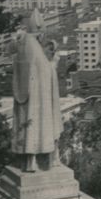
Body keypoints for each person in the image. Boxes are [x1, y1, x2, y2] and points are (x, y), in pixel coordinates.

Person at [12, 11, 62, 172]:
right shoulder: (34, 47)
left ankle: (27, 161)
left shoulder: (22, 45)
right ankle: (39, 161)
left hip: (25, 98)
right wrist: (54, 62)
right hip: (38, 101)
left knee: (27, 127)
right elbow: (45, 71)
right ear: (40, 33)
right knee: (37, 127)